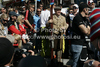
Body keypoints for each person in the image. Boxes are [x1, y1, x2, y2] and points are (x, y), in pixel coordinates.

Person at [71, 3, 90, 67]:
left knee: (83, 61)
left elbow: (89, 31)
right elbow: (85, 31)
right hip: (77, 43)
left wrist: (87, 30)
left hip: (83, 42)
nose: (88, 11)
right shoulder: (77, 18)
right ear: (84, 9)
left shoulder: (85, 19)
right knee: (76, 63)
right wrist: (87, 29)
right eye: (87, 9)